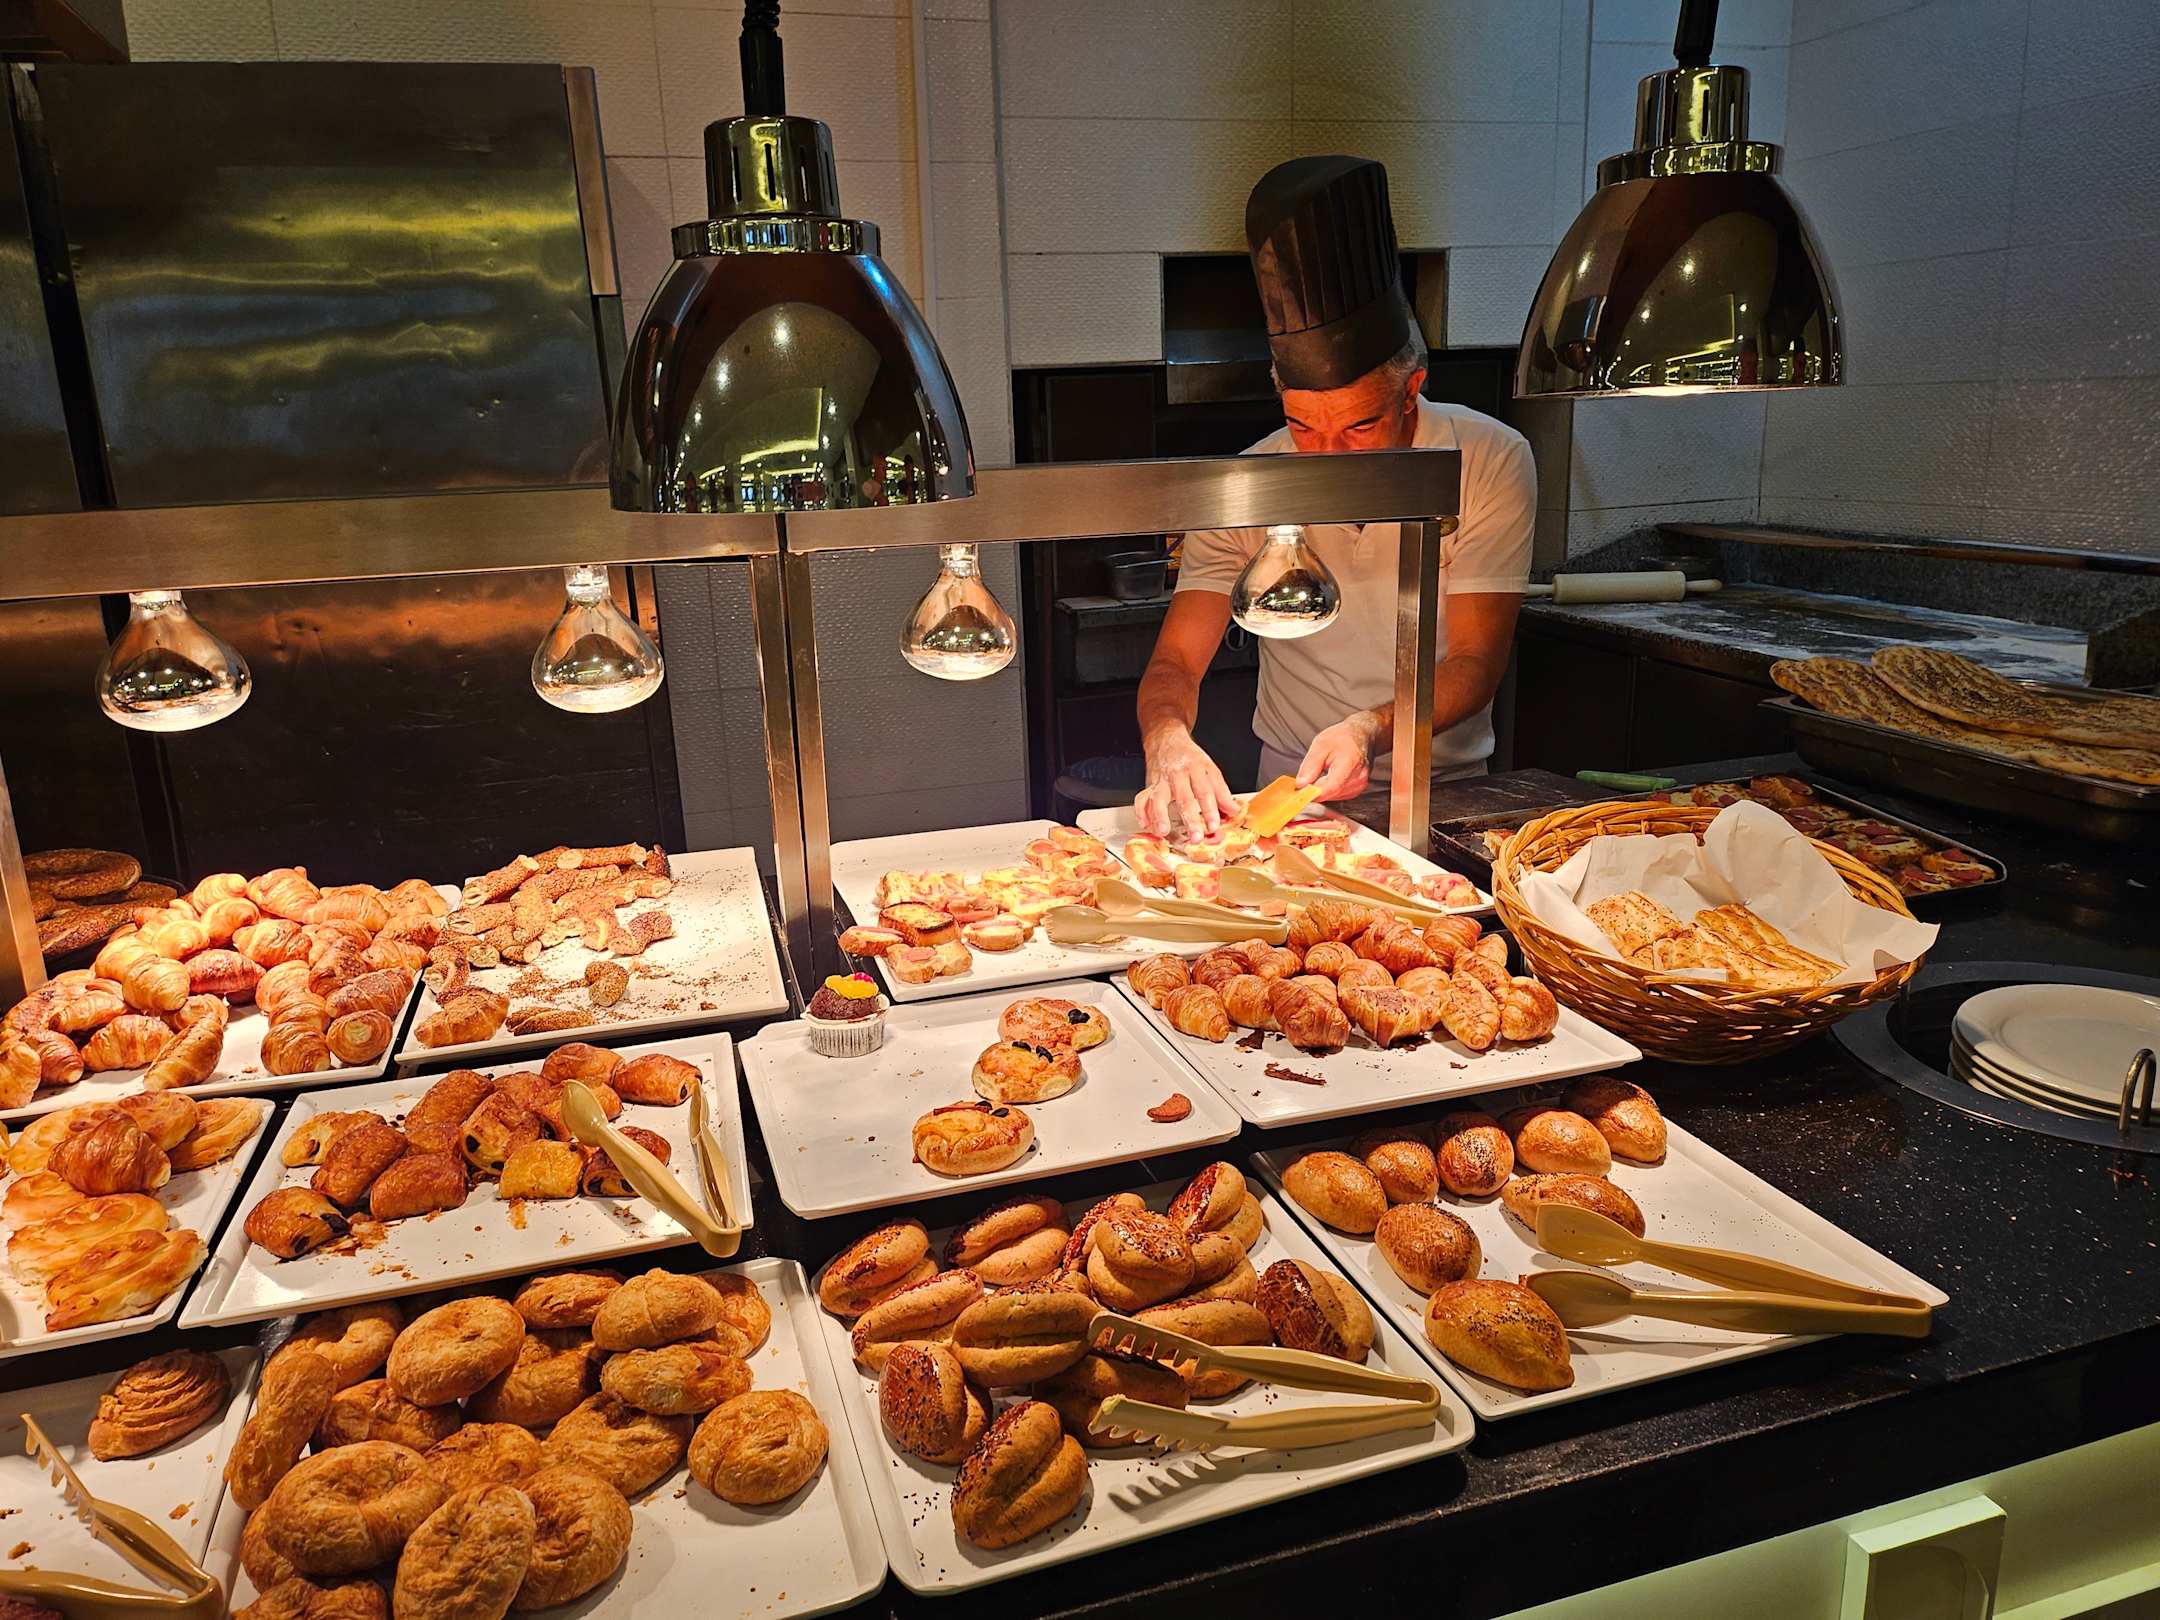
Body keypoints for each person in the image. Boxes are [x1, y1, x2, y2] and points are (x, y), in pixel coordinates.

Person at [1134, 155, 1535, 836]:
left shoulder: (1489, 458)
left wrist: (1368, 728)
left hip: (1444, 788)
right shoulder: (1250, 482)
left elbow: (1476, 661)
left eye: (1358, 427)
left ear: (1410, 392)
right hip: (1291, 788)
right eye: (1302, 425)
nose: (1324, 457)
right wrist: (1167, 737)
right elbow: (1176, 660)